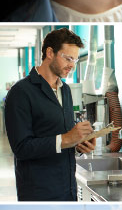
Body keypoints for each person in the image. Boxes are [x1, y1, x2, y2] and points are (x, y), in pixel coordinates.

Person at [4, 28, 99, 201]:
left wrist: (78, 144)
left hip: (68, 187)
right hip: (38, 191)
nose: (72, 64)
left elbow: (63, 135)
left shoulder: (66, 90)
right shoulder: (20, 93)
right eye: (68, 58)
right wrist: (67, 139)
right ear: (50, 53)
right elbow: (21, 148)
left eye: (75, 60)